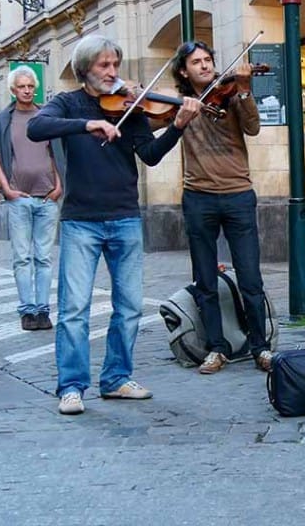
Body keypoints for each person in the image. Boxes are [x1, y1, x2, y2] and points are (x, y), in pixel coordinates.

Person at [27, 34, 201, 415]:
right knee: (74, 308)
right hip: (81, 221)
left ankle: (117, 378)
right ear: (85, 69)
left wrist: (178, 126)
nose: (113, 73)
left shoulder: (133, 107)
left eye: (115, 65)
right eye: (104, 65)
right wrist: (88, 124)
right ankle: (71, 387)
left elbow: (151, 156)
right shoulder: (67, 103)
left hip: (124, 216)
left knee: (130, 307)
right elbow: (36, 128)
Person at [169, 40, 273, 375]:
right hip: (198, 196)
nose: (205, 65)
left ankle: (261, 347)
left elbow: (253, 127)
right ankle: (217, 348)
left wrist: (243, 90)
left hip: (238, 194)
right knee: (205, 280)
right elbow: (152, 124)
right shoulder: (180, 104)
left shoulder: (231, 94)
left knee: (250, 278)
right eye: (196, 62)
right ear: (184, 71)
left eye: (209, 59)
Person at [0, 65, 64, 332]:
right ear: (13, 90)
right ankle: (27, 311)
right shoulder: (2, 121)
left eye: (31, 86)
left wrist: (58, 186)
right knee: (22, 257)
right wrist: (6, 189)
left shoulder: (45, 116)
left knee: (43, 257)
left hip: (47, 198)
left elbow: (56, 153)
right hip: (18, 197)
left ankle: (43, 310)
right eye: (22, 86)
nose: (27, 90)